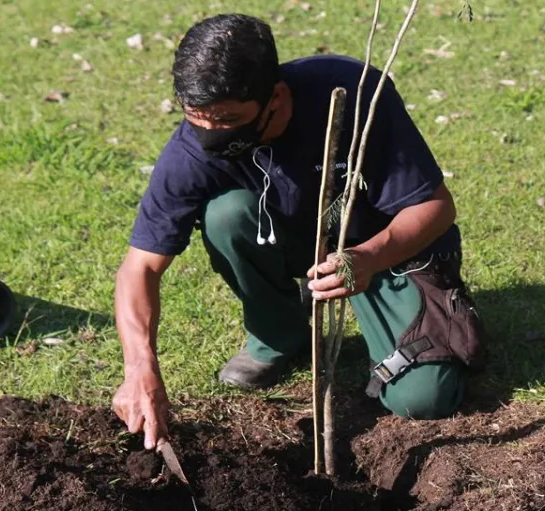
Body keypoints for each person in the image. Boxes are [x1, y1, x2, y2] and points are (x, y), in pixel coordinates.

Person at [112, 13, 484, 450]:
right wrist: (139, 368)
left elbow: (436, 207)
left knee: (422, 397)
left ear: (276, 95)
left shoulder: (354, 94)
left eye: (229, 119)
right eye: (197, 118)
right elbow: (139, 268)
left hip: (384, 250)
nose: (211, 135)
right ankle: (279, 337)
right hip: (298, 240)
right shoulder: (191, 149)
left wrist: (368, 258)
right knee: (226, 216)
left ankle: (420, 314)